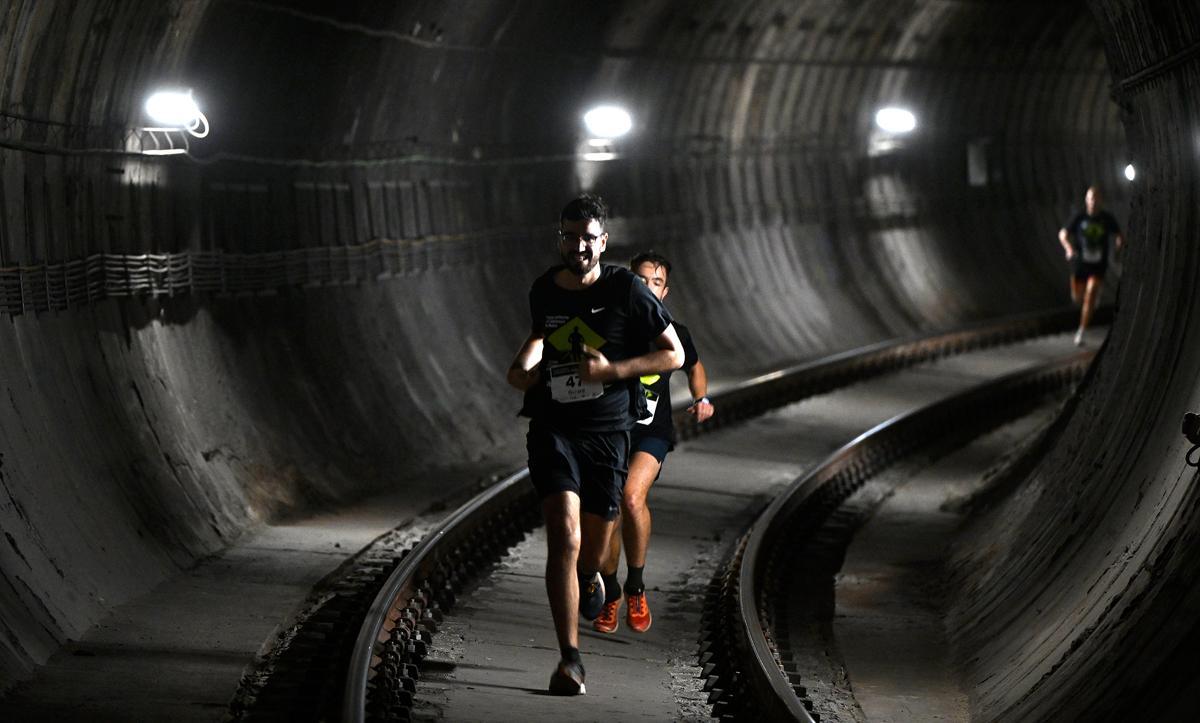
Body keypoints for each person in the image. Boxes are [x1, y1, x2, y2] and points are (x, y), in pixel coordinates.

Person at [506, 194, 684, 696]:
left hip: (608, 433)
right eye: (569, 235)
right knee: (564, 534)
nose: (578, 245)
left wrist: (613, 371)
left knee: (595, 545)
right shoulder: (545, 288)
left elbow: (672, 354)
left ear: (603, 241)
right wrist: (524, 365)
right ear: (559, 238)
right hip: (553, 426)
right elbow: (541, 334)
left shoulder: (628, 291)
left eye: (588, 237)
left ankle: (591, 576)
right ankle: (570, 659)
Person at [592, 252, 714, 636]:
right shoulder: (609, 325)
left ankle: (636, 587)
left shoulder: (674, 331)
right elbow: (569, 347)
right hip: (611, 430)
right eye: (641, 280)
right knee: (608, 515)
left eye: (656, 283)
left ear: (665, 291)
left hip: (651, 432)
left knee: (631, 498)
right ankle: (611, 592)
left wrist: (701, 398)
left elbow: (693, 365)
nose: (648, 288)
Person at [1058, 185, 1125, 346]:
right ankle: (1089, 298)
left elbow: (1119, 236)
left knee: (1090, 294)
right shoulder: (1079, 217)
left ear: (1100, 200)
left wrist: (1117, 251)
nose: (1093, 202)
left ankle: (1081, 331)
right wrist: (1068, 248)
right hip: (1081, 263)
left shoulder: (1106, 218)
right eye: (1090, 198)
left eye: (1096, 198)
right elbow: (1062, 234)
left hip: (1098, 265)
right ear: (1086, 200)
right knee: (1077, 297)